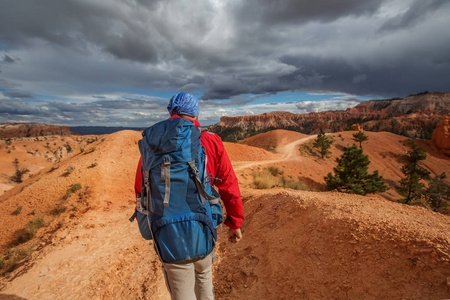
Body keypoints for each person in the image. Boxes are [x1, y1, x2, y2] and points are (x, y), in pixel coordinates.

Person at [134, 92, 244, 300]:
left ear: (171, 111)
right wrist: (235, 222)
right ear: (195, 114)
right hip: (203, 229)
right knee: (204, 280)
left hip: (168, 234)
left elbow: (141, 189)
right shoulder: (210, 141)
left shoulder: (151, 145)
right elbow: (229, 184)